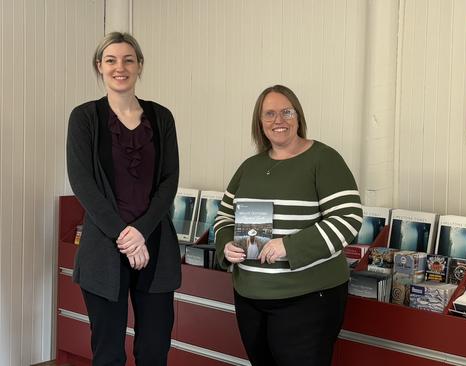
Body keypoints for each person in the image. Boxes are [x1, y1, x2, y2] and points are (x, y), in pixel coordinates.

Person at [213, 85, 363, 366]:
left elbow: (348, 219)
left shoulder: (323, 159)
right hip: (250, 297)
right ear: (259, 122)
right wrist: (226, 246)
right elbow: (224, 218)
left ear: (298, 116)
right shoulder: (250, 167)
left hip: (307, 300)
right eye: (269, 114)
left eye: (286, 112)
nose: (278, 120)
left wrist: (289, 246)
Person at [66, 32, 181, 366]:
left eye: (129, 59)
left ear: (140, 66)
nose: (120, 67)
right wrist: (124, 235)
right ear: (99, 67)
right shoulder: (84, 117)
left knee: (154, 351)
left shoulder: (162, 118)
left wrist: (140, 232)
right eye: (111, 60)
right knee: (108, 353)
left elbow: (169, 181)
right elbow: (83, 184)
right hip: (104, 250)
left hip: (155, 248)